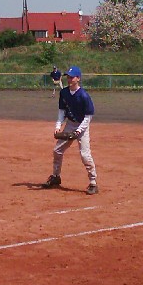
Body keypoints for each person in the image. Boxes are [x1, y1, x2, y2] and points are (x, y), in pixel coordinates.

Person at [42, 65, 98, 195]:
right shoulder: (64, 93)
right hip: (70, 124)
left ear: (78, 78)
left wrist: (78, 131)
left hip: (82, 126)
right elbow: (62, 111)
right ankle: (56, 177)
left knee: (85, 154)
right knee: (57, 150)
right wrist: (58, 126)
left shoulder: (84, 95)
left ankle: (93, 182)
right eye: (68, 76)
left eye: (72, 77)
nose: (69, 79)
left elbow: (88, 117)